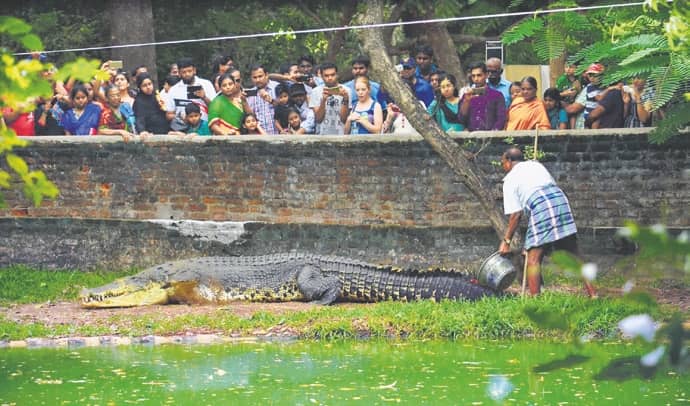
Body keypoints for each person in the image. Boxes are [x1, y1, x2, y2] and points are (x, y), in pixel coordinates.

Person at [498, 147, 596, 297]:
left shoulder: (510, 180)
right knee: (575, 255)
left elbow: (516, 215)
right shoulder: (536, 165)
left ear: (509, 161)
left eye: (503, 163)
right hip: (560, 200)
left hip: (542, 205)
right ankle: (593, 294)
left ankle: (536, 301)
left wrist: (506, 241)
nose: (503, 167)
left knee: (532, 260)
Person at [164, 57, 216, 132]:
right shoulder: (173, 90)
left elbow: (215, 109)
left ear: (194, 70)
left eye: (189, 71)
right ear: (179, 73)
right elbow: (168, 115)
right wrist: (181, 117)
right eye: (184, 72)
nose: (187, 74)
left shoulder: (206, 84)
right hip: (183, 131)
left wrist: (204, 97)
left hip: (205, 130)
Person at [458, 62, 506, 131]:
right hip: (471, 137)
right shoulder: (467, 95)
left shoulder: (497, 95)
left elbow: (501, 119)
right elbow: (461, 119)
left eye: (479, 75)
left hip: (491, 137)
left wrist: (492, 134)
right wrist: (466, 101)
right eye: (473, 76)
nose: (476, 79)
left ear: (486, 75)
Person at [309, 62, 351, 135]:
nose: (330, 78)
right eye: (326, 75)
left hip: (342, 134)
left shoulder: (346, 90)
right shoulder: (315, 91)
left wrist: (345, 99)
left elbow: (344, 119)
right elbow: (318, 119)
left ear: (337, 75)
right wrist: (323, 100)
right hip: (322, 135)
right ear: (321, 76)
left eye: (332, 75)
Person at [245, 64, 280, 134]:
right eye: (254, 77)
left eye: (260, 76)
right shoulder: (251, 93)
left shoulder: (277, 87)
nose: (258, 80)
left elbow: (285, 108)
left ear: (266, 75)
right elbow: (250, 116)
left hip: (279, 134)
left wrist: (271, 100)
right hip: (260, 136)